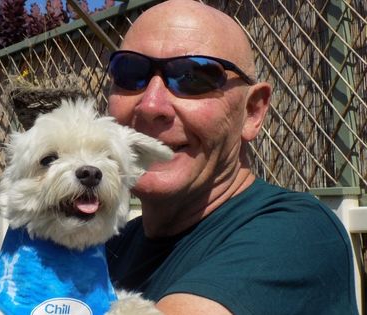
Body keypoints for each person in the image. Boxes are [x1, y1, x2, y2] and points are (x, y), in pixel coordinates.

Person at [105, 0, 359, 314]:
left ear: (252, 112)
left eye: (192, 76)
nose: (151, 105)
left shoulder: (297, 236)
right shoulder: (111, 245)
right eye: (130, 73)